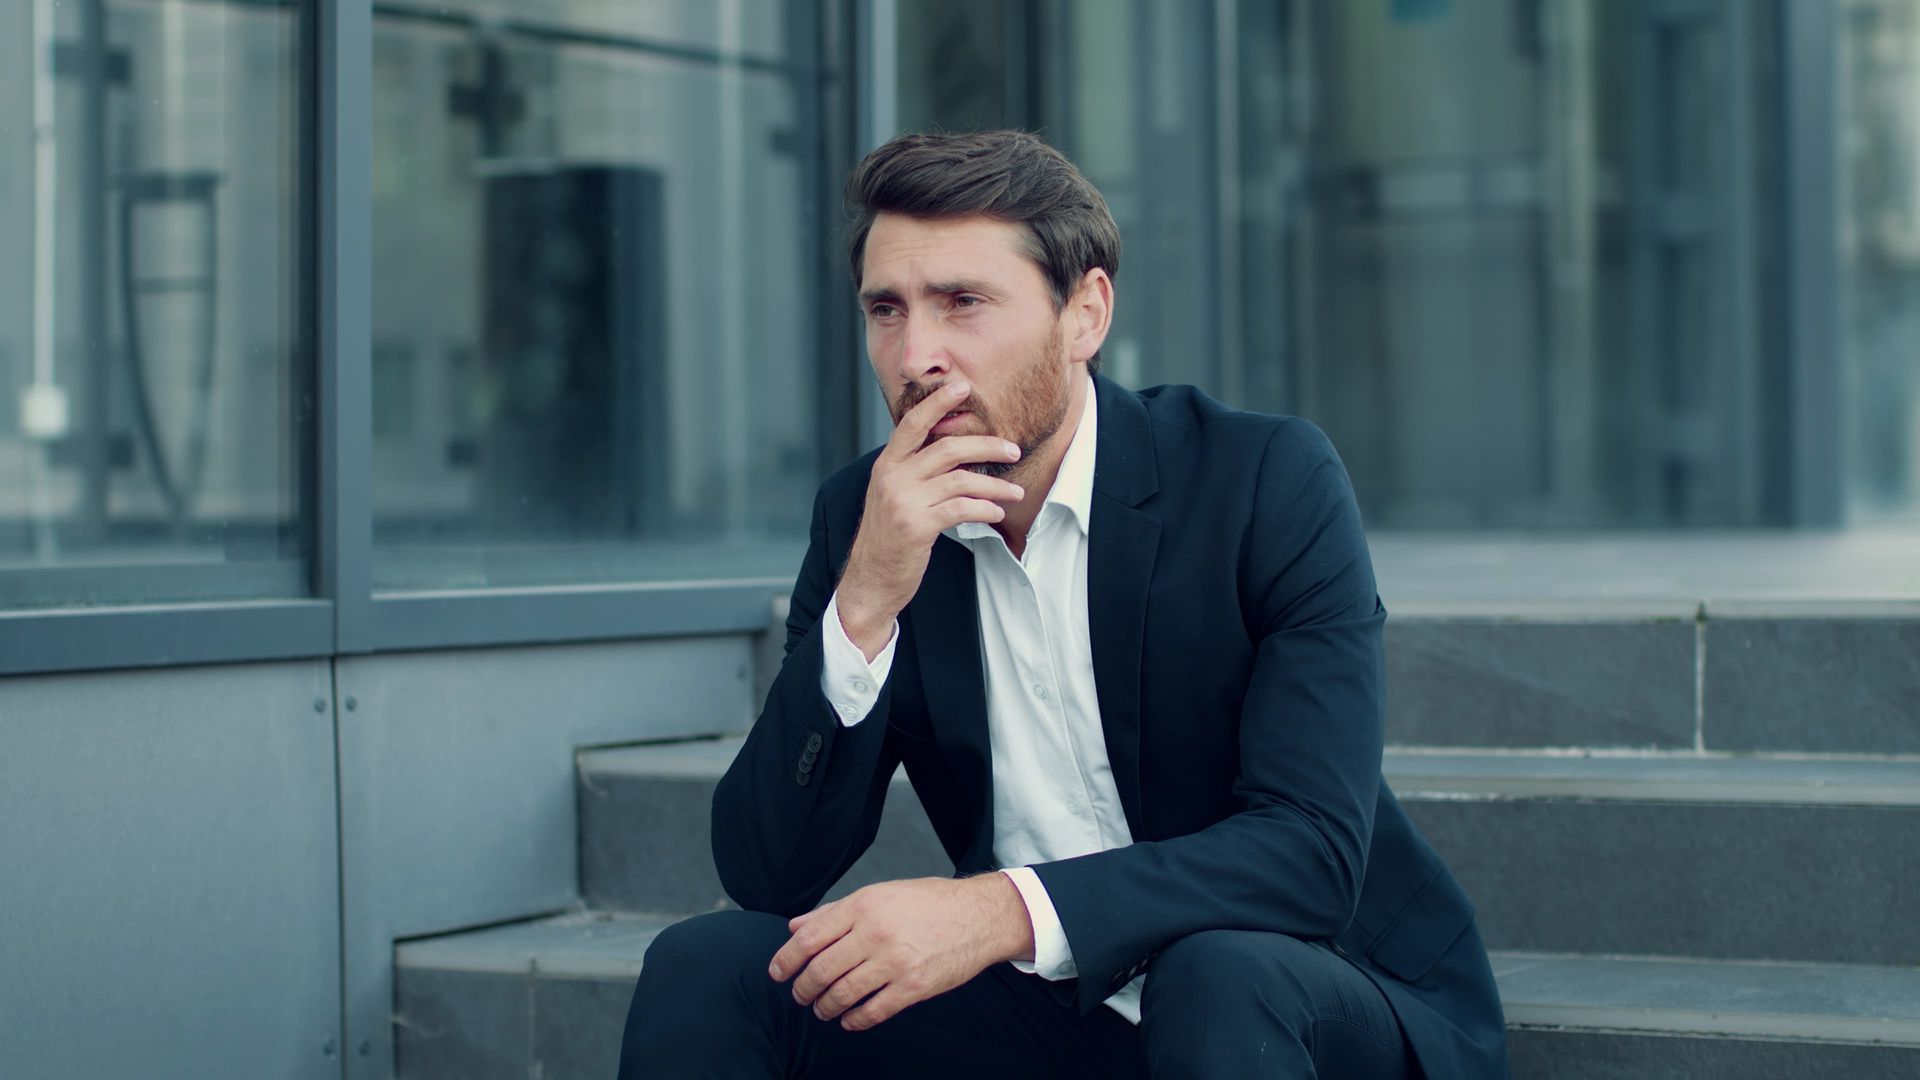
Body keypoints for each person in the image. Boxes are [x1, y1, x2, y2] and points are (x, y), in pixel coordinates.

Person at [619, 130, 1509, 1079]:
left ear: (1085, 314)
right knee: (709, 968)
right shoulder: (867, 520)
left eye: (963, 303)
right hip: (1052, 1011)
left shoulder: (1262, 480)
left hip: (1305, 992)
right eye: (887, 309)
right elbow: (767, 872)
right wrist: (866, 603)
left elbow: (1311, 854)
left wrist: (996, 910)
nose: (917, 356)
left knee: (1215, 973)